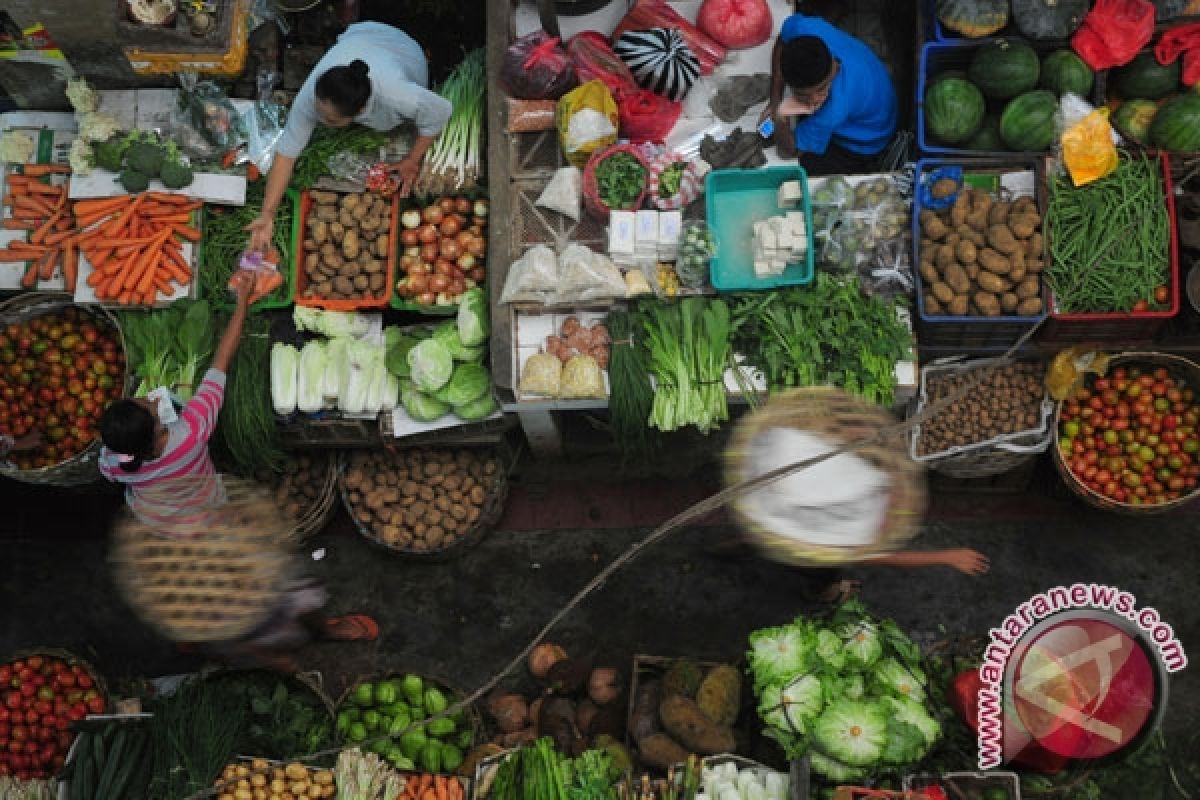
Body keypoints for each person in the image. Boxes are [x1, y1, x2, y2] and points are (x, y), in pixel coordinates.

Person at [99, 275, 378, 670]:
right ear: (159, 428)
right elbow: (221, 362)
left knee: (208, 606)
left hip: (162, 533)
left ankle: (224, 645)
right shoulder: (190, 434)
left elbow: (119, 469)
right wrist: (243, 302)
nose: (145, 397)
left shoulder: (115, 460)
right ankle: (319, 630)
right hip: (211, 523)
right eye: (144, 404)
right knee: (283, 586)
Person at [245, 22, 452, 253]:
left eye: (331, 121)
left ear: (361, 109)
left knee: (399, 122)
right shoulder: (317, 93)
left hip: (403, 51)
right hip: (361, 36)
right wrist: (267, 213)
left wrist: (412, 160)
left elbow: (440, 111)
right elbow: (286, 154)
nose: (320, 120)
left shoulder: (399, 96)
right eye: (319, 112)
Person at [762, 14, 897, 176]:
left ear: (834, 70)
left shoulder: (834, 108)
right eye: (803, 95)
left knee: (798, 170)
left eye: (820, 89)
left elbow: (787, 151)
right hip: (873, 94)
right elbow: (783, 39)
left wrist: (779, 116)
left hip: (868, 140)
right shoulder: (805, 29)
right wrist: (775, 98)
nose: (814, 100)